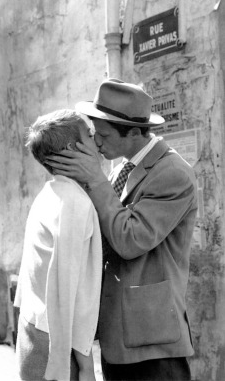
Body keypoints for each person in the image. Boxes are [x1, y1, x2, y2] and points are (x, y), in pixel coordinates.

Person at [45, 78, 198, 381]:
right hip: (117, 337)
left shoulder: (173, 174)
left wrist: (95, 180)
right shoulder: (120, 169)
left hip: (152, 340)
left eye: (102, 135)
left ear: (132, 132)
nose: (97, 144)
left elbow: (129, 240)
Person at [14, 109, 103, 381]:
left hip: (35, 333)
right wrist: (85, 366)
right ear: (71, 150)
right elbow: (65, 293)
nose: (97, 140)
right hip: (56, 350)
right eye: (89, 135)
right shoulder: (73, 204)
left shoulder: (49, 194)